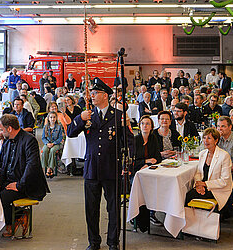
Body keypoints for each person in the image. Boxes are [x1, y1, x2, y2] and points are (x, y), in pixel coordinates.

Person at [66, 77, 133, 250]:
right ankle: (94, 242)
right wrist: (80, 118)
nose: (92, 96)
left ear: (105, 95)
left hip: (112, 168)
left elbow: (129, 142)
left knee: (113, 209)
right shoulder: (88, 115)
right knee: (91, 209)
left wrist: (129, 164)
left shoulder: (118, 116)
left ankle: (113, 242)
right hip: (92, 169)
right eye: (91, 93)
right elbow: (70, 133)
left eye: (95, 93)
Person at [0, 114, 50, 237]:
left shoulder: (29, 140)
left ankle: (14, 221)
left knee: (1, 198)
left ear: (9, 128)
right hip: (10, 181)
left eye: (1, 129)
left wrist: (19, 185)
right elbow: (4, 166)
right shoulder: (7, 141)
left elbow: (32, 166)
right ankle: (15, 218)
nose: (0, 132)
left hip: (26, 184)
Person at [184, 127, 233, 217]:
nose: (206, 141)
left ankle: (190, 227)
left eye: (209, 138)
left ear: (216, 140)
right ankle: (190, 225)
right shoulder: (202, 153)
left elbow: (224, 181)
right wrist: (199, 185)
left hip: (218, 189)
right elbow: (198, 173)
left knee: (188, 196)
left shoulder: (224, 156)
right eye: (204, 138)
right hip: (204, 186)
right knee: (185, 195)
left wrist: (205, 184)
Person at [132, 115, 163, 231]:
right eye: (143, 124)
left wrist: (148, 164)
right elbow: (131, 161)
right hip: (135, 173)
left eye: (148, 124)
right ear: (139, 126)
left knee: (159, 186)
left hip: (150, 172)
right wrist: (145, 161)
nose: (145, 126)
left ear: (152, 127)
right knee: (144, 189)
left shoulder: (153, 138)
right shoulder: (135, 140)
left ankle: (151, 214)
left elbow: (158, 158)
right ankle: (136, 215)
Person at [41, 111, 65, 178]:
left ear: (56, 118)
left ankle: (50, 168)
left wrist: (53, 143)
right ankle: (45, 166)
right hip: (48, 143)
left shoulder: (59, 127)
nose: (52, 119)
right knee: (45, 150)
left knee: (52, 150)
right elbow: (43, 138)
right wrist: (47, 143)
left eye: (54, 117)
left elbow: (60, 138)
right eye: (51, 117)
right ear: (48, 118)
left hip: (57, 143)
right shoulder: (45, 127)